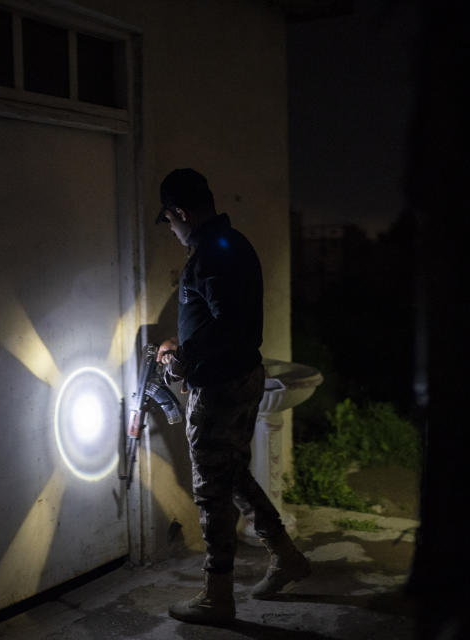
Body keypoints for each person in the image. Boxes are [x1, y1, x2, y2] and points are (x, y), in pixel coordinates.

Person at [155, 168, 310, 625]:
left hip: (219, 386)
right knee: (234, 473)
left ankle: (217, 595)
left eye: (170, 220)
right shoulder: (233, 243)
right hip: (241, 377)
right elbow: (225, 322)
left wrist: (182, 356)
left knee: (210, 490)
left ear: (181, 212)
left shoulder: (208, 254)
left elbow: (227, 325)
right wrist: (180, 348)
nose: (173, 230)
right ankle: (286, 557)